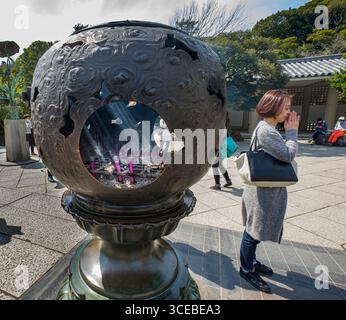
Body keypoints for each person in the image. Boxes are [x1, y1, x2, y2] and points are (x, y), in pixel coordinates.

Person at [240, 90, 300, 294]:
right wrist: (292, 132)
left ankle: (252, 262)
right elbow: (288, 155)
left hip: (263, 190)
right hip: (262, 194)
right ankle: (246, 269)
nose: (288, 112)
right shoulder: (267, 131)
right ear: (273, 108)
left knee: (254, 231)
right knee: (252, 233)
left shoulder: (268, 128)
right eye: (285, 108)